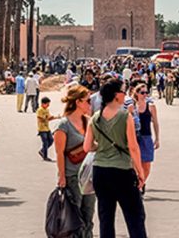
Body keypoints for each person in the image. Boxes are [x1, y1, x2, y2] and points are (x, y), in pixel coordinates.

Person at [83, 79, 147, 238]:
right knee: (134, 216)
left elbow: (87, 147)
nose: (125, 94)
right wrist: (140, 171)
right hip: (122, 170)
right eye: (123, 91)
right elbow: (133, 147)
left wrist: (103, 146)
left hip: (100, 171)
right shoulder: (125, 116)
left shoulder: (95, 117)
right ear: (116, 96)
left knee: (105, 217)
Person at [55, 84, 96, 238]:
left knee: (88, 216)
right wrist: (62, 177)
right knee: (73, 218)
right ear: (78, 102)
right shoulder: (63, 125)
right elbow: (59, 153)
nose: (90, 104)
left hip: (89, 177)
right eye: (87, 101)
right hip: (72, 176)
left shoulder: (88, 121)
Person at [131, 82, 159, 193]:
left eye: (146, 92)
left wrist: (157, 138)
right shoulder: (132, 106)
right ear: (136, 93)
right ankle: (136, 185)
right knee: (134, 164)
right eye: (142, 92)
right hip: (135, 136)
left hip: (147, 137)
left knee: (146, 165)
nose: (145, 95)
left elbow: (155, 122)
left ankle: (142, 182)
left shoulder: (151, 106)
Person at [37, 96, 58, 161]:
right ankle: (45, 156)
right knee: (45, 142)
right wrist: (47, 118)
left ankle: (42, 150)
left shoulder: (46, 110)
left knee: (51, 140)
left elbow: (49, 118)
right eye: (47, 104)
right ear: (43, 103)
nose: (48, 105)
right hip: (42, 129)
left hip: (47, 128)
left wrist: (55, 117)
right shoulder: (40, 110)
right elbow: (40, 118)